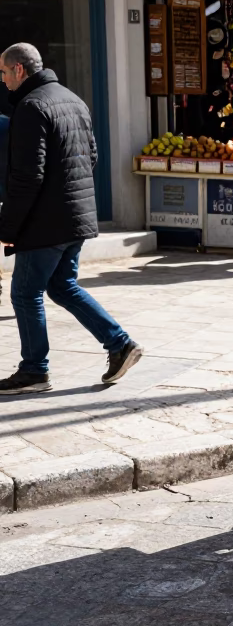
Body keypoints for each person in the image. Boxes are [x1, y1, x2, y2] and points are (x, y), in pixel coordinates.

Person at [0, 43, 143, 394]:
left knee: (24, 293)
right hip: (74, 215)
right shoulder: (71, 98)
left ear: (19, 69)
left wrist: (9, 227)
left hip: (46, 221)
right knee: (63, 286)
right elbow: (90, 157)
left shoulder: (31, 107)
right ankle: (120, 344)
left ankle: (35, 370)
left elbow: (27, 176)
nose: (2, 81)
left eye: (3, 73)